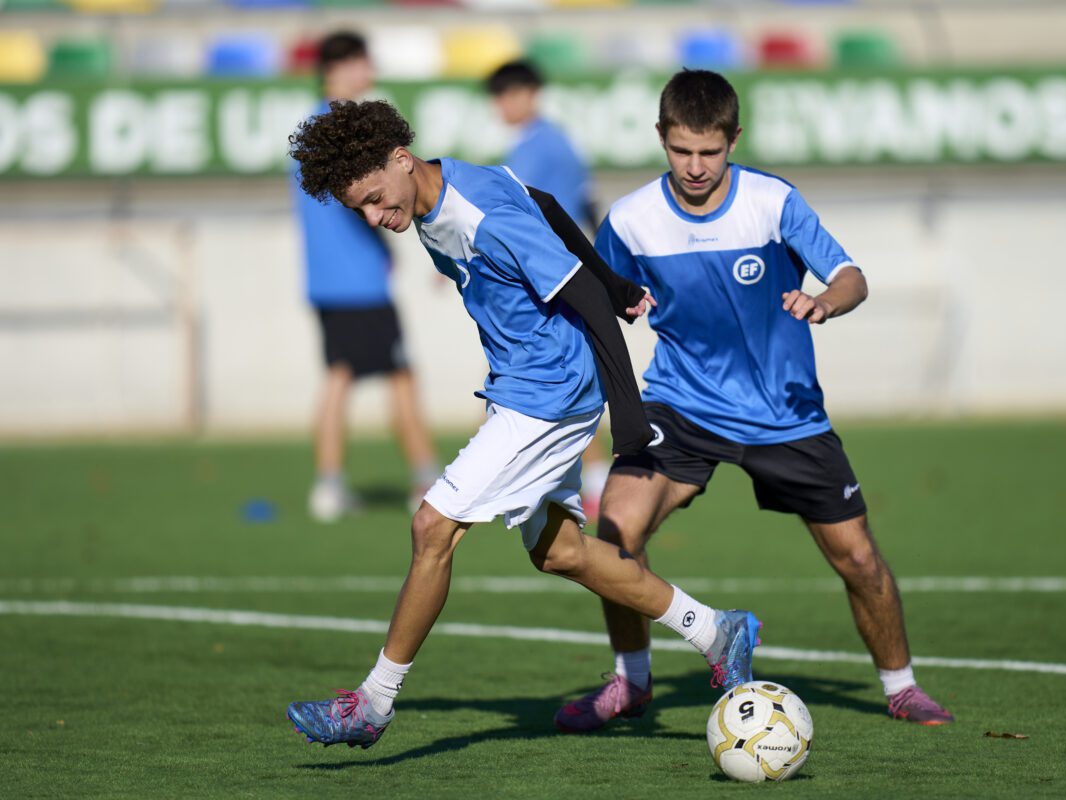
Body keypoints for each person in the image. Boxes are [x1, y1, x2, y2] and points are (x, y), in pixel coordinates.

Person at [284, 98, 762, 750]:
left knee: (433, 526)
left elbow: (581, 298)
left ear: (400, 160)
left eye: (373, 198)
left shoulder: (480, 216)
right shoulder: (447, 184)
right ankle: (715, 630)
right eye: (359, 210)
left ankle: (372, 704)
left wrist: (628, 417)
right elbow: (541, 202)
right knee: (559, 550)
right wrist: (616, 279)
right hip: (524, 390)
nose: (374, 217)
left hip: (549, 397)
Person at [554, 69, 954, 732]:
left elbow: (851, 276)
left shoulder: (771, 202)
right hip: (681, 407)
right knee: (616, 531)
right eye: (681, 151)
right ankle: (633, 681)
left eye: (710, 152)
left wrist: (825, 300)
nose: (696, 166)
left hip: (786, 413)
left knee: (857, 558)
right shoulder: (631, 219)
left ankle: (902, 686)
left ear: (734, 139)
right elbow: (600, 299)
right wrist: (621, 306)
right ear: (661, 138)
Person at [291, 31, 438, 522]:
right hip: (359, 282)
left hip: (325, 281)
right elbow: (361, 202)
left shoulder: (311, 131)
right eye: (363, 64)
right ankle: (426, 479)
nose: (369, 75)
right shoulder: (340, 134)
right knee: (400, 377)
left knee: (338, 376)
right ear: (340, 67)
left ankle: (328, 484)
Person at [485, 58, 609, 519]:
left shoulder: (537, 148)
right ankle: (578, 474)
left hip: (551, 280)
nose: (504, 105)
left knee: (543, 372)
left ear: (530, 94)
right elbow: (589, 202)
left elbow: (514, 218)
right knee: (554, 372)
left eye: (511, 94)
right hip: (561, 276)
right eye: (499, 96)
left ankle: (585, 475)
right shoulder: (553, 141)